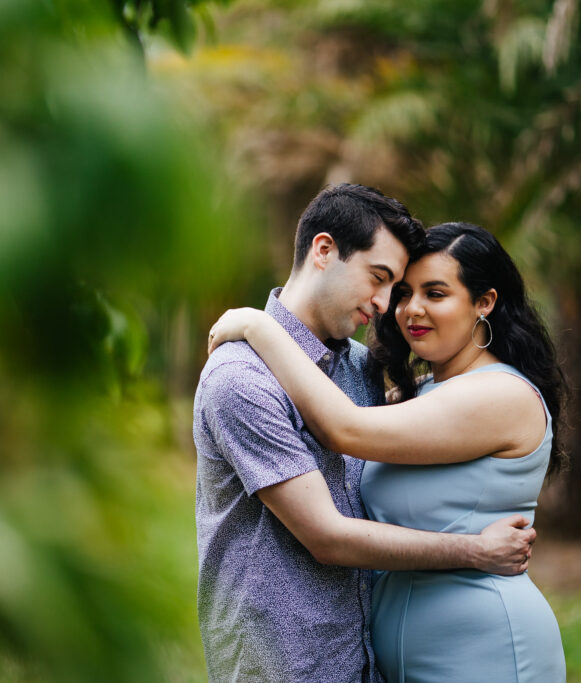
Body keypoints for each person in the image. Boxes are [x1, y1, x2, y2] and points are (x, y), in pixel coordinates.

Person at [194, 187, 537, 683]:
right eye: (379, 280)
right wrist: (474, 550)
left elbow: (453, 409)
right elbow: (327, 537)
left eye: (393, 288)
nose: (383, 305)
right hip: (279, 665)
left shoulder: (359, 368)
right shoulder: (241, 379)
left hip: (363, 660)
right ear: (324, 250)